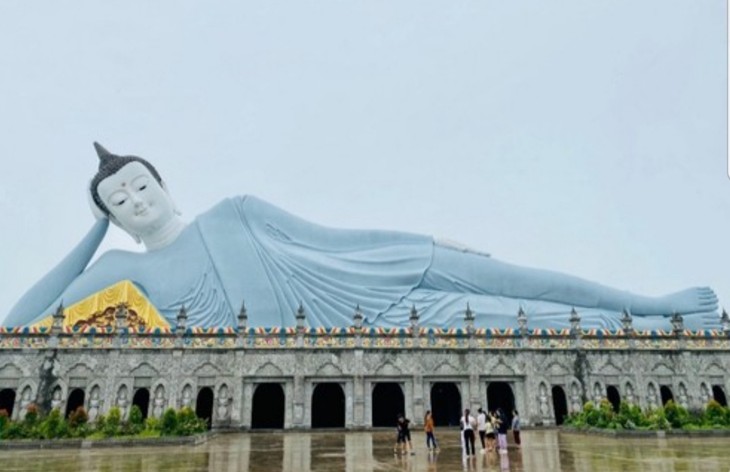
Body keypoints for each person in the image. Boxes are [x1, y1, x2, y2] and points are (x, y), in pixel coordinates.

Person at [4, 143, 720, 330]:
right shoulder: (127, 275)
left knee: (516, 278)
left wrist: (428, 238)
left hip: (367, 273)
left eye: (137, 185)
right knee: (535, 321)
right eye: (117, 202)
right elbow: (16, 328)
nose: (134, 202)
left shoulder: (236, 210)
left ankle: (656, 305)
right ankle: (688, 327)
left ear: (163, 183)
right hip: (363, 328)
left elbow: (333, 237)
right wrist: (90, 232)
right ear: (112, 218)